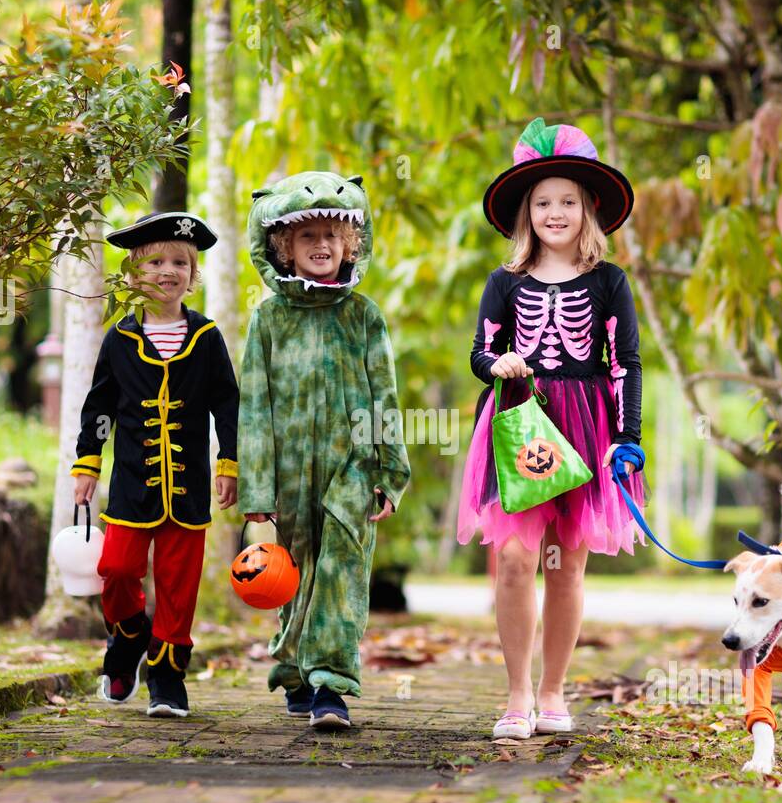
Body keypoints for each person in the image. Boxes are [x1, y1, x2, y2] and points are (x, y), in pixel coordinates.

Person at [457, 118, 648, 740]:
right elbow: (480, 355)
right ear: (526, 213)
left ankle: (554, 692)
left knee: (567, 565)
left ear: (588, 209)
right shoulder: (503, 282)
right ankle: (516, 697)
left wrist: (628, 436)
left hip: (589, 429)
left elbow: (624, 363)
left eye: (567, 200)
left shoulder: (608, 282)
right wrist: (499, 364)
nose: (555, 212)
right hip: (522, 424)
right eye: (543, 202)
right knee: (514, 559)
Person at [238, 170, 410, 730]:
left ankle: (330, 683)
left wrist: (388, 471)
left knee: (341, 571)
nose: (320, 245)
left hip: (352, 469)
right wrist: (257, 495)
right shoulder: (267, 320)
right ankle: (292, 669)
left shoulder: (363, 315)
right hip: (286, 474)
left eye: (332, 236)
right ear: (283, 248)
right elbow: (255, 409)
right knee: (292, 574)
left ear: (350, 245)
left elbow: (385, 397)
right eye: (306, 236)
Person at [72, 211, 239, 718]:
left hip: (187, 488)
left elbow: (228, 404)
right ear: (134, 274)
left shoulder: (207, 337)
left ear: (193, 274)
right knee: (117, 568)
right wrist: (87, 463)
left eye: (181, 263)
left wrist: (228, 462)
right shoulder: (118, 339)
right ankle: (127, 638)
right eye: (157, 262)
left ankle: (167, 675)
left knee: (177, 584)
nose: (169, 271)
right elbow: (99, 407)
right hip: (130, 487)